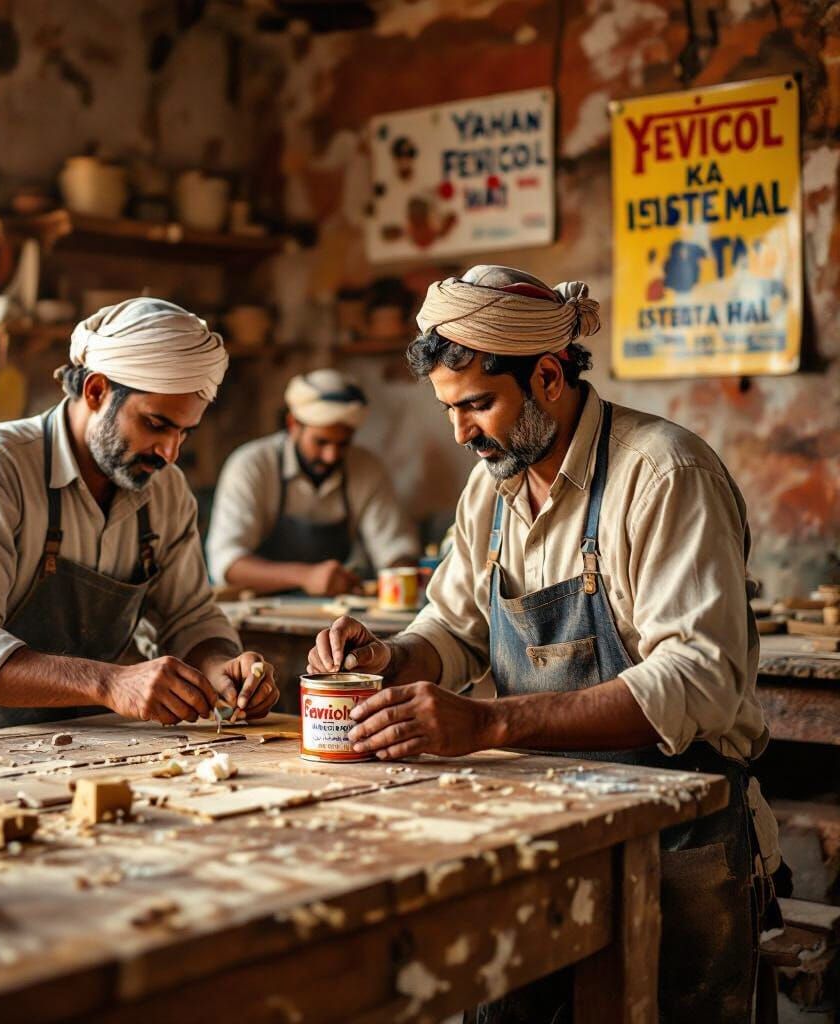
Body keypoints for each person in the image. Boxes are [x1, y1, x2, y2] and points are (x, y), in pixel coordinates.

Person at [307, 265, 780, 1022]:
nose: (461, 433)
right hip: (539, 824)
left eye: (477, 406)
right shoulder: (492, 485)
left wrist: (491, 725)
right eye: (449, 410)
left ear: (550, 376)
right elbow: (451, 628)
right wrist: (389, 656)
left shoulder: (661, 474)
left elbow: (699, 681)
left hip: (674, 831)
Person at [0, 298, 278, 744]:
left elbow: (189, 617)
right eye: (156, 424)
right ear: (97, 391)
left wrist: (223, 668)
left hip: (71, 744)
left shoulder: (166, 490)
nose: (170, 452)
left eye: (184, 432)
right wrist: (110, 683)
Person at [206, 368, 419, 597]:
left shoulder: (366, 469)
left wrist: (400, 569)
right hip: (257, 607)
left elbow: (396, 548)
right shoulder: (252, 465)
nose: (332, 456)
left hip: (333, 612)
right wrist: (305, 576)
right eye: (321, 442)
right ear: (293, 425)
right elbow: (227, 563)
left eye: (343, 443)